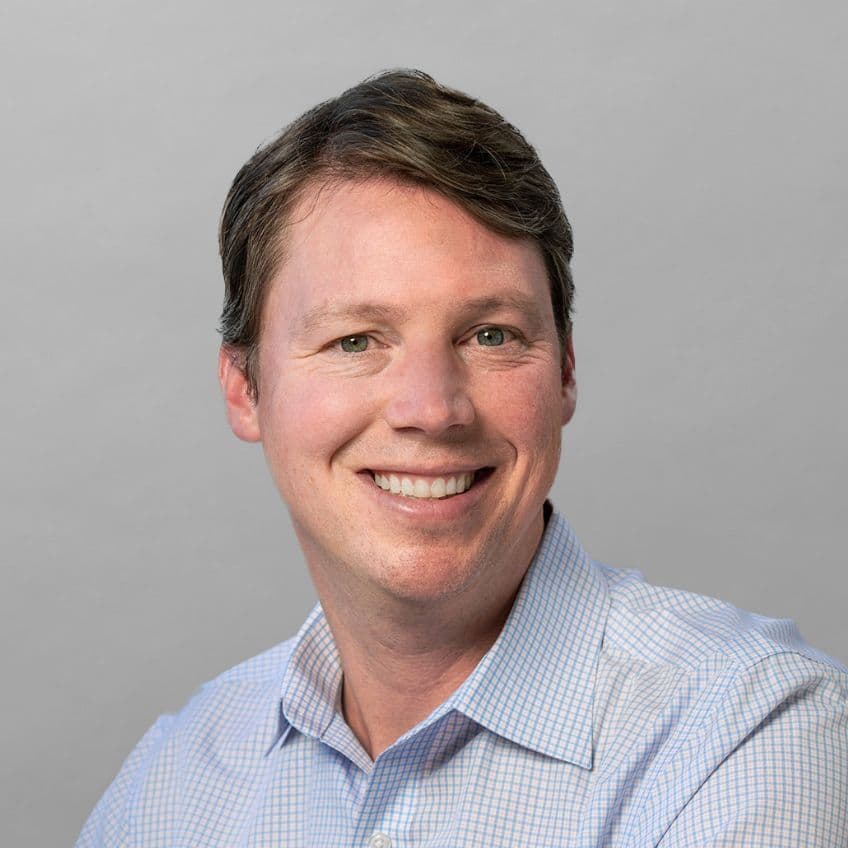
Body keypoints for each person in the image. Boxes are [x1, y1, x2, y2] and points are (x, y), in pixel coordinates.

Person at [77, 69, 847, 847]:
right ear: (245, 388)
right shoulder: (171, 785)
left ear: (566, 373)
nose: (432, 409)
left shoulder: (748, 733)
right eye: (355, 341)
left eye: (491, 336)